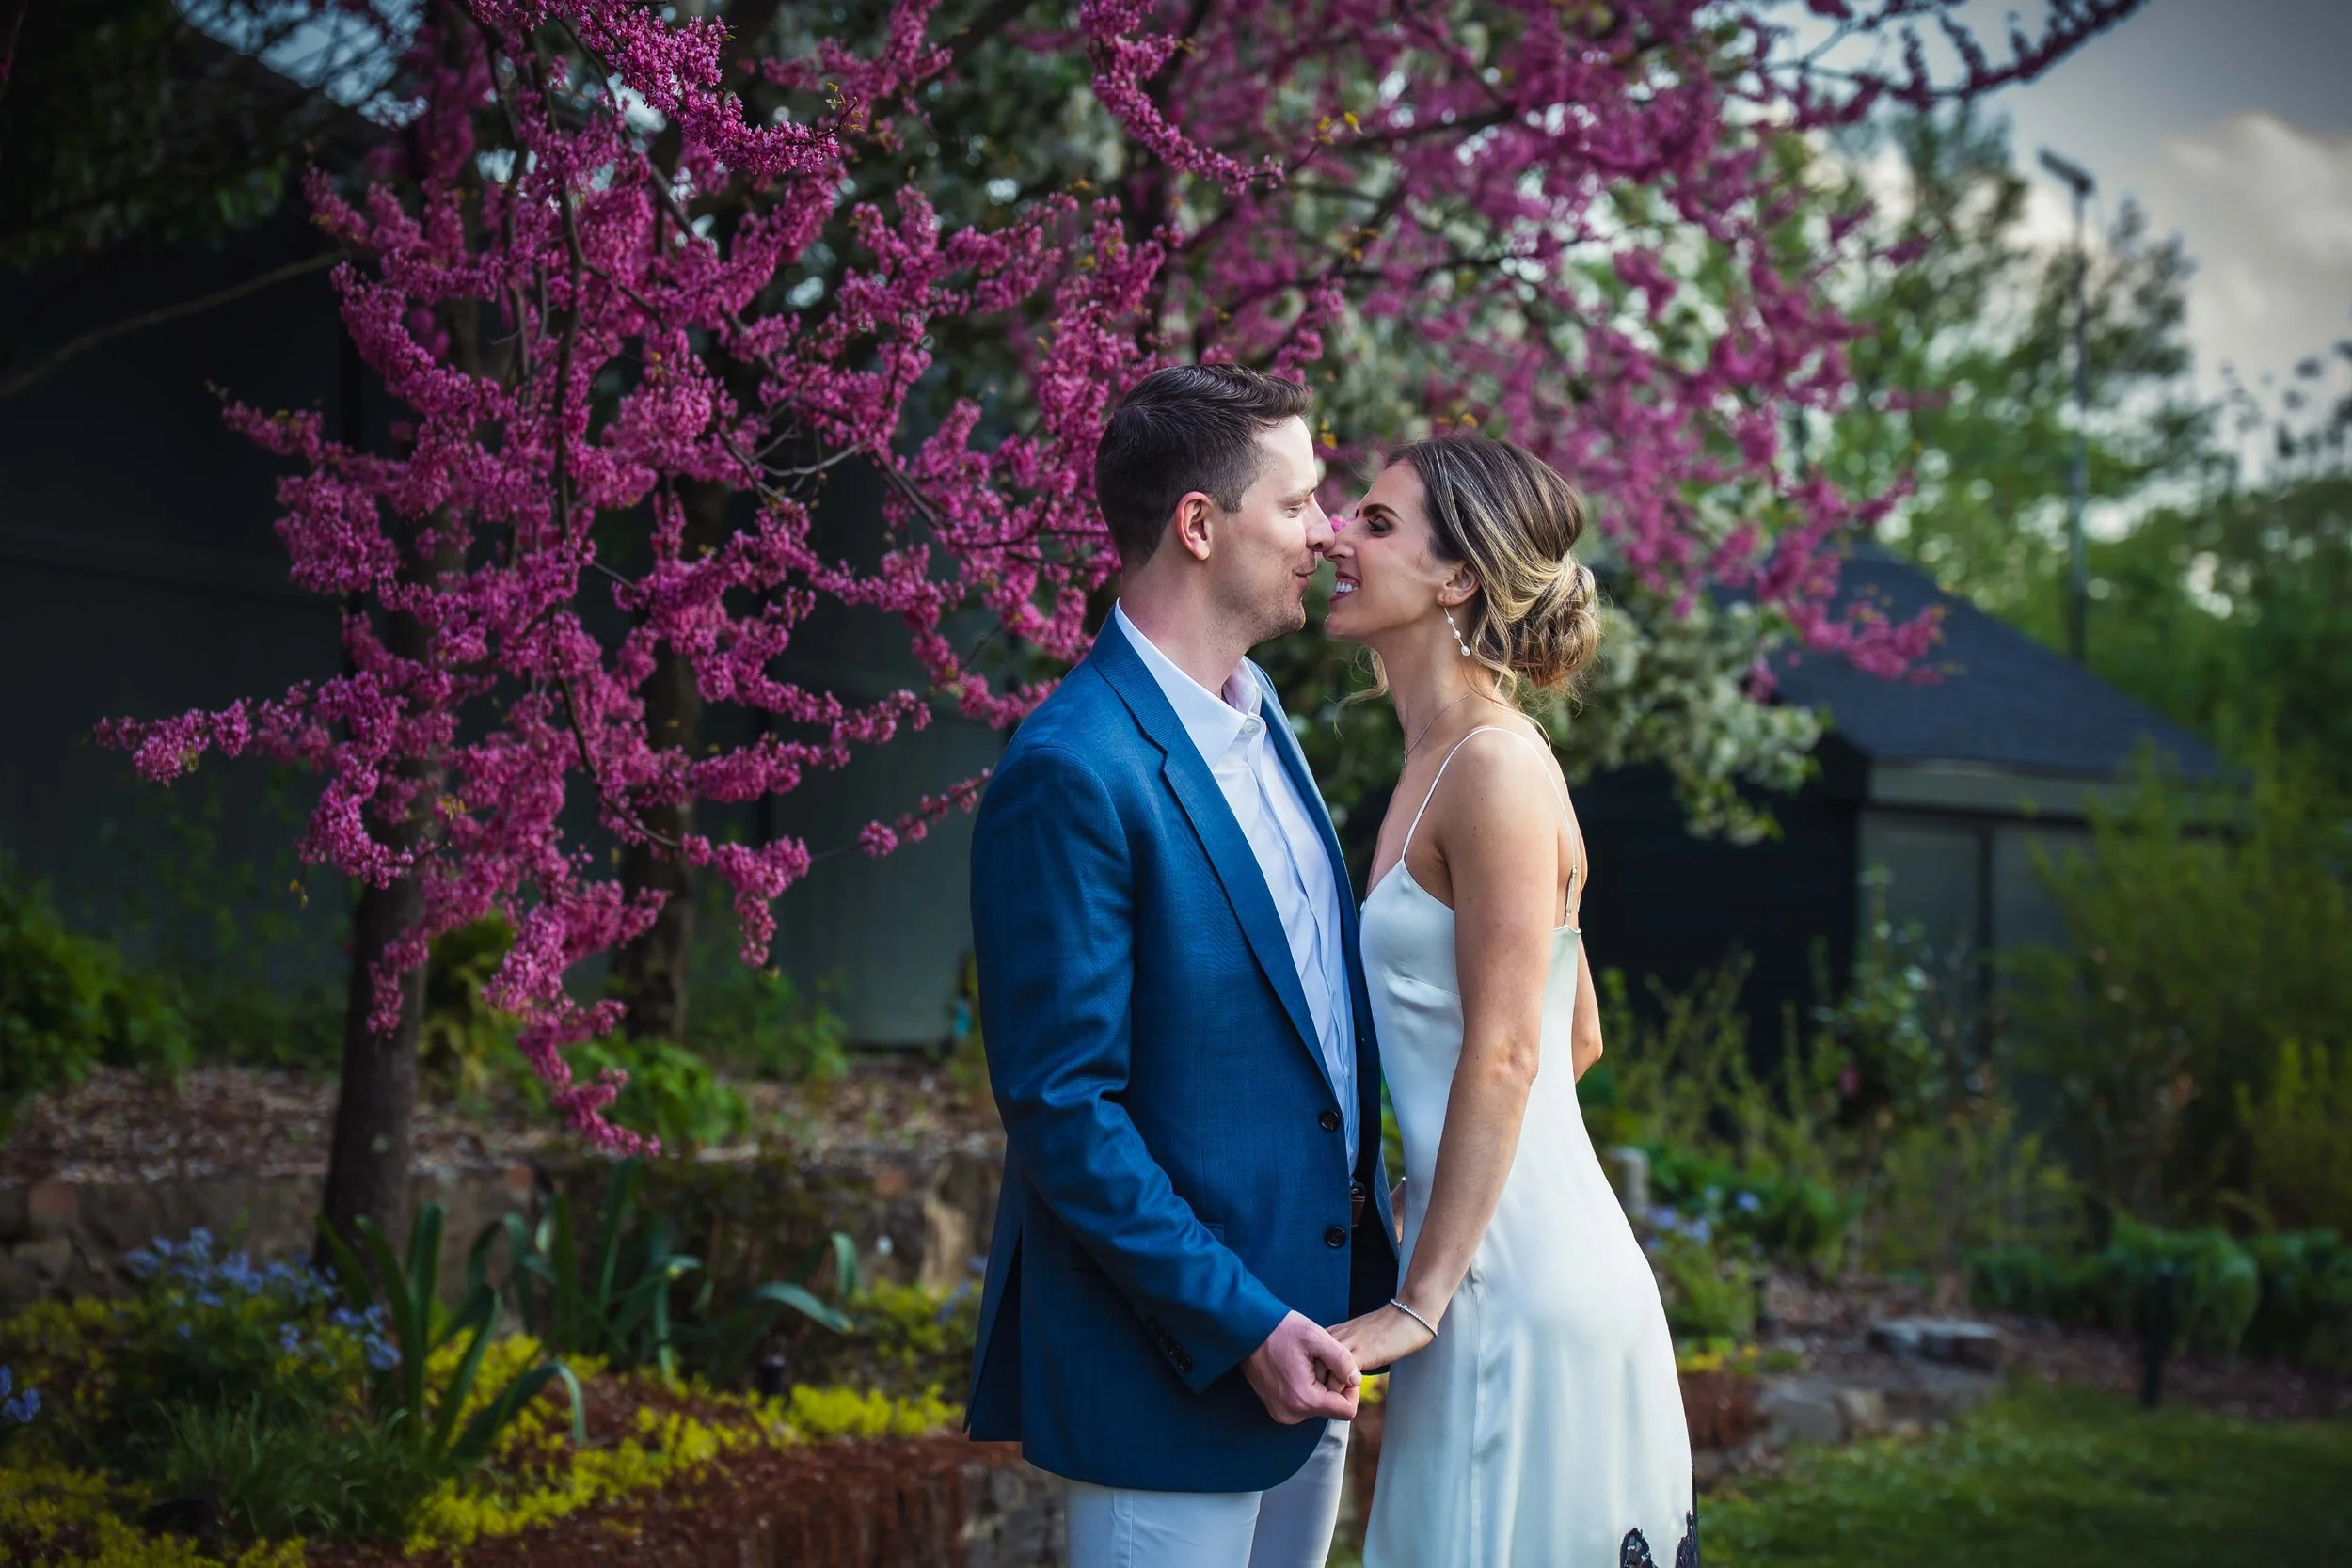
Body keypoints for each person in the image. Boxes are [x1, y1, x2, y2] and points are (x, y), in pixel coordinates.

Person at [964, 364, 1399, 1568]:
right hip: (1173, 1375)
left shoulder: (1267, 724)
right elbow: (1064, 1109)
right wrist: (1243, 1320)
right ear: (1200, 526)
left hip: (1320, 1345)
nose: (1327, 531)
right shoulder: (1071, 767)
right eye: (1300, 500)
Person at [1324, 432, 1698, 1567]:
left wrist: (1418, 1298)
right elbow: (1576, 1027)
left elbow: (1512, 1050)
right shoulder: (1444, 757)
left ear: (1457, 578)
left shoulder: (1489, 765)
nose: (1337, 533)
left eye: (1376, 523)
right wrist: (1430, 1171)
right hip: (1497, 1254)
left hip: (1504, 1292)